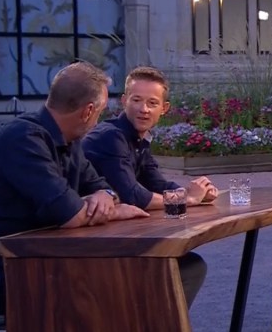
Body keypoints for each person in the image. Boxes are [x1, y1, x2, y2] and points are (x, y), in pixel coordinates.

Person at [0, 61, 149, 317]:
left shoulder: (69, 140)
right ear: (88, 111)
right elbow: (70, 215)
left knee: (120, 276)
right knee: (106, 285)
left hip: (28, 259)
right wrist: (115, 212)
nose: (98, 120)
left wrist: (105, 195)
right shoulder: (23, 139)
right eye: (99, 112)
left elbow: (102, 187)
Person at [82, 65, 216, 306]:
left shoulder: (138, 138)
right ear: (124, 101)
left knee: (189, 264)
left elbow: (157, 183)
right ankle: (153, 327)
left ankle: (152, 326)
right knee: (187, 267)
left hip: (111, 235)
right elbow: (134, 196)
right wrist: (188, 200)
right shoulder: (111, 136)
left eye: (152, 103)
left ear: (164, 109)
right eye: (136, 100)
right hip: (86, 245)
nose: (143, 109)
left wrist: (197, 191)